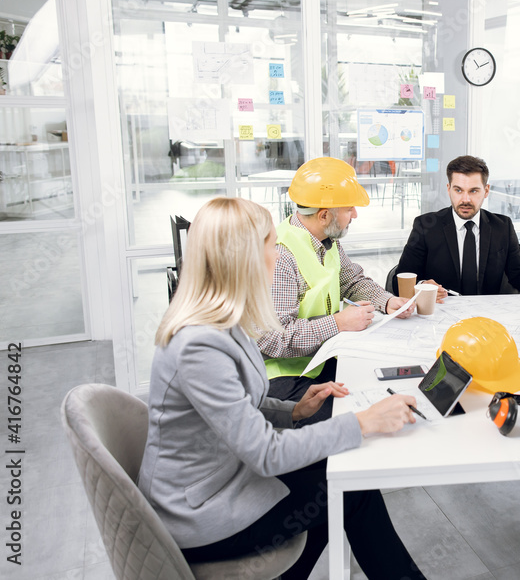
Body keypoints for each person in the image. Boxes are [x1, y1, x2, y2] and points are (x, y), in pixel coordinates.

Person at [139, 197, 426, 580]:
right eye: (270, 246)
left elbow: (239, 406)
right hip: (199, 512)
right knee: (350, 491)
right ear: (242, 258)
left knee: (342, 488)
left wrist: (291, 411)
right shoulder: (198, 345)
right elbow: (266, 454)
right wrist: (362, 423)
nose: (277, 256)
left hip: (225, 477)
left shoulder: (222, 318)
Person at [257, 157, 414, 426]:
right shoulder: (281, 255)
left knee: (377, 384)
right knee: (356, 414)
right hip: (283, 377)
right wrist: (338, 323)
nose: (354, 214)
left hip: (319, 359)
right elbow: (273, 340)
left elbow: (351, 280)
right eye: (349, 208)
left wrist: (387, 301)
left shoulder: (325, 239)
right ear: (324, 215)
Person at [393, 155, 520, 298]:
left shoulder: (502, 227)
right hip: (440, 313)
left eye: (474, 191)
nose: (465, 199)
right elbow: (399, 279)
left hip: (487, 317)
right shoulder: (425, 226)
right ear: (449, 190)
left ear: (486, 190)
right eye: (458, 190)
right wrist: (422, 287)